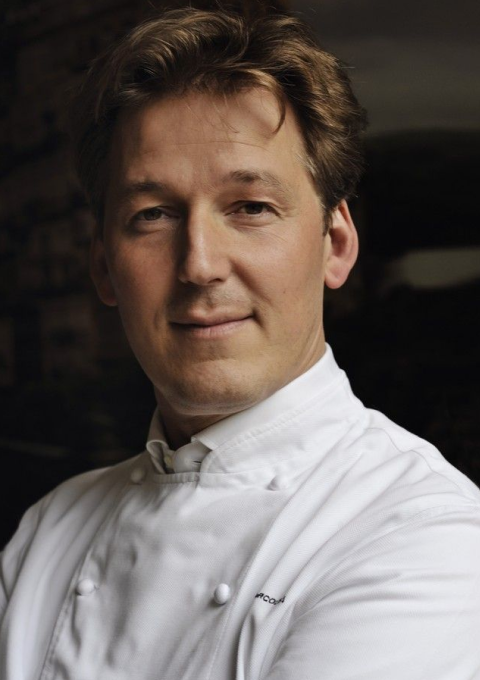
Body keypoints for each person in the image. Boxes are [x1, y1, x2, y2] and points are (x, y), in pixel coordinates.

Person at [1, 7, 480, 680]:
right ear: (104, 268)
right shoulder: (48, 532)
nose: (199, 264)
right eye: (153, 215)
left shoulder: (424, 538)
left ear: (335, 244)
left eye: (251, 207)